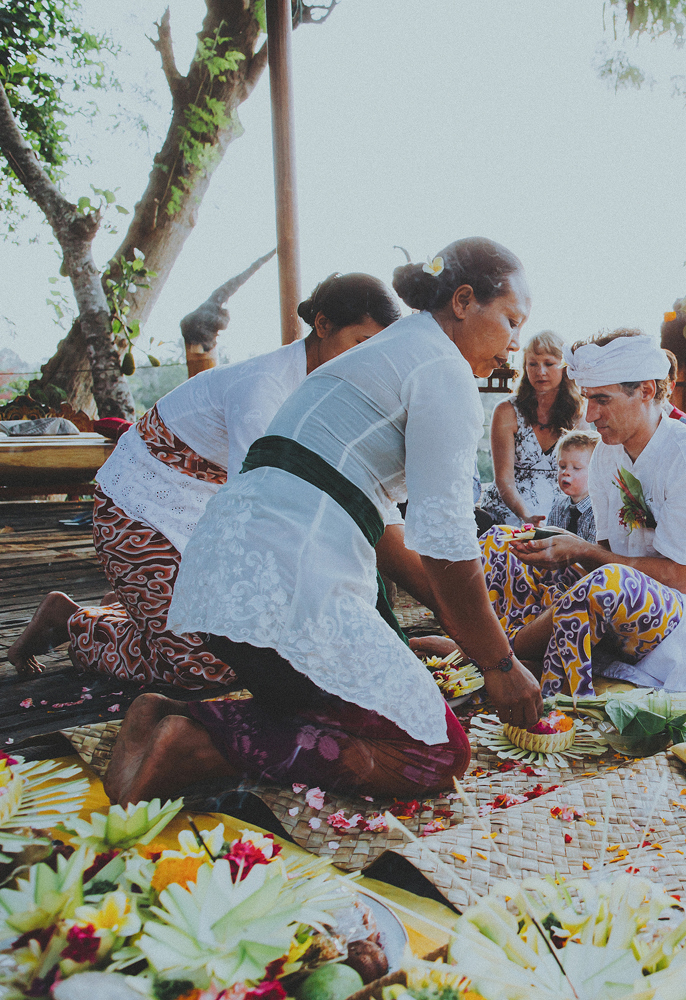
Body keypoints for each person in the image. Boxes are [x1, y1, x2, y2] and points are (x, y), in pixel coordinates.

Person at [99, 238, 542, 805]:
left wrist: (457, 633)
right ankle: (193, 743)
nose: (514, 344)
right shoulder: (442, 369)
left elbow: (390, 531)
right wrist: (498, 663)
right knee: (433, 754)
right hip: (285, 580)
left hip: (222, 573)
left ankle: (166, 713)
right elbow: (448, 541)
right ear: (462, 301)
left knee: (347, 712)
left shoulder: (385, 355)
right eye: (511, 320)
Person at [7, 274, 400, 684]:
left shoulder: (330, 392)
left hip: (204, 516)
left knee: (250, 644)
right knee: (209, 665)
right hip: (136, 514)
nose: (364, 361)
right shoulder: (264, 388)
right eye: (359, 343)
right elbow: (263, 513)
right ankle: (74, 622)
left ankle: (134, 608)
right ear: (322, 325)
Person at [483, 329, 686, 698]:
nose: (590, 415)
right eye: (588, 399)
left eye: (602, 400)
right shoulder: (607, 453)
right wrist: (560, 553)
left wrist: (580, 550)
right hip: (625, 600)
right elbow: (607, 552)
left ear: (644, 390)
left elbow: (679, 580)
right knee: (501, 541)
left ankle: (498, 657)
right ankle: (514, 649)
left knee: (607, 584)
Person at [479, 330, 583, 527]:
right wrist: (526, 517)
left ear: (564, 367)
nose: (540, 371)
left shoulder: (578, 414)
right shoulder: (506, 411)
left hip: (559, 510)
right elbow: (503, 479)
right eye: (532, 364)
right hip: (510, 509)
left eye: (549, 363)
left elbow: (583, 474)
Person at [548, 429, 598, 543]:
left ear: (597, 472)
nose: (566, 472)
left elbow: (594, 556)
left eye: (576, 468)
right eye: (562, 466)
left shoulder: (598, 512)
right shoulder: (558, 507)